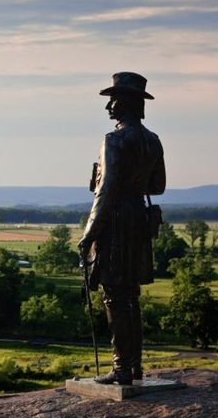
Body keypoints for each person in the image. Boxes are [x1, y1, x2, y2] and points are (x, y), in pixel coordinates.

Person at [78, 72, 166, 385]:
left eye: (113, 100)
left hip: (115, 220)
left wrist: (89, 234)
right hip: (138, 218)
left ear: (126, 102)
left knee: (115, 296)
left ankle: (121, 368)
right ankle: (135, 367)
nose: (108, 107)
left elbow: (105, 192)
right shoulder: (153, 140)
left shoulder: (113, 140)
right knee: (131, 296)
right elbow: (158, 186)